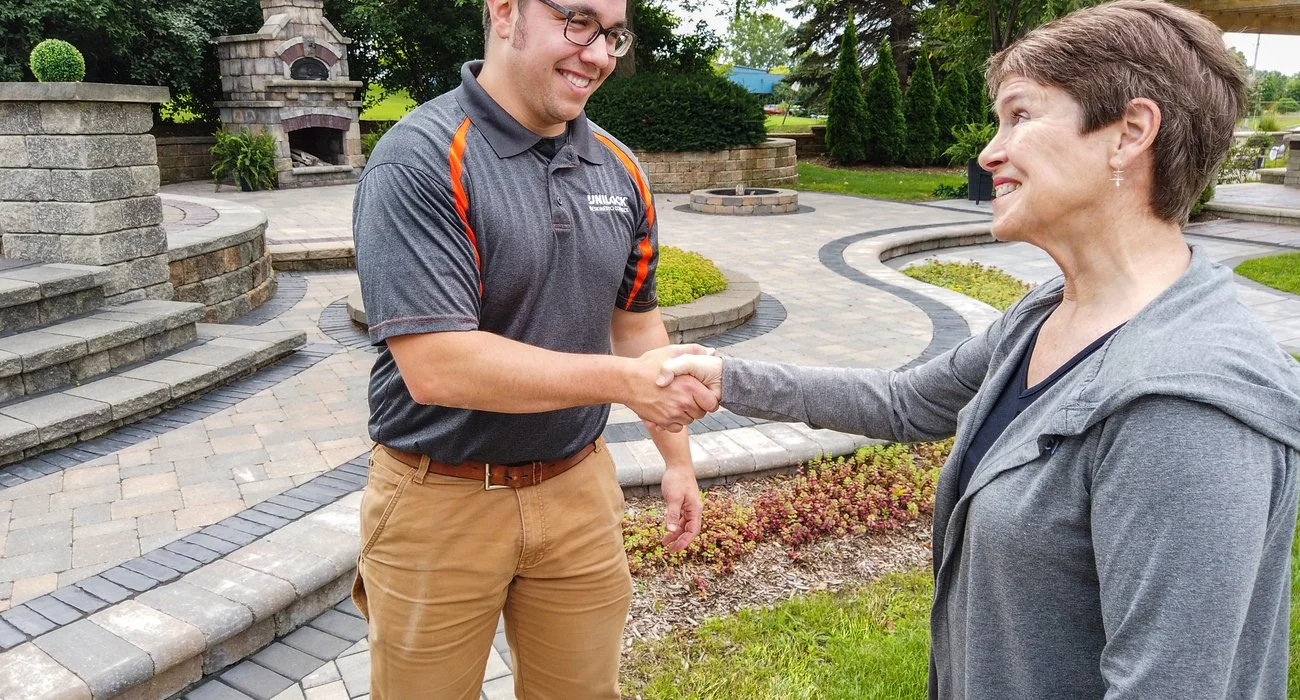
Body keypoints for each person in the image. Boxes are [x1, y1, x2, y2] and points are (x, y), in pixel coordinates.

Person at [658, 1, 1300, 697]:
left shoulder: (1184, 412)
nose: (989, 152)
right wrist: (728, 377)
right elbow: (908, 404)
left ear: (1131, 132)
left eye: (1020, 116)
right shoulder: (1049, 311)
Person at [350, 0, 717, 697]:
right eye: (577, 21)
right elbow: (436, 365)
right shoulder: (420, 158)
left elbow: (637, 324)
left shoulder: (620, 168)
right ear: (504, 12)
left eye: (612, 34)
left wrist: (677, 461)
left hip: (578, 487)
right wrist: (620, 383)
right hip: (440, 497)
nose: (601, 54)